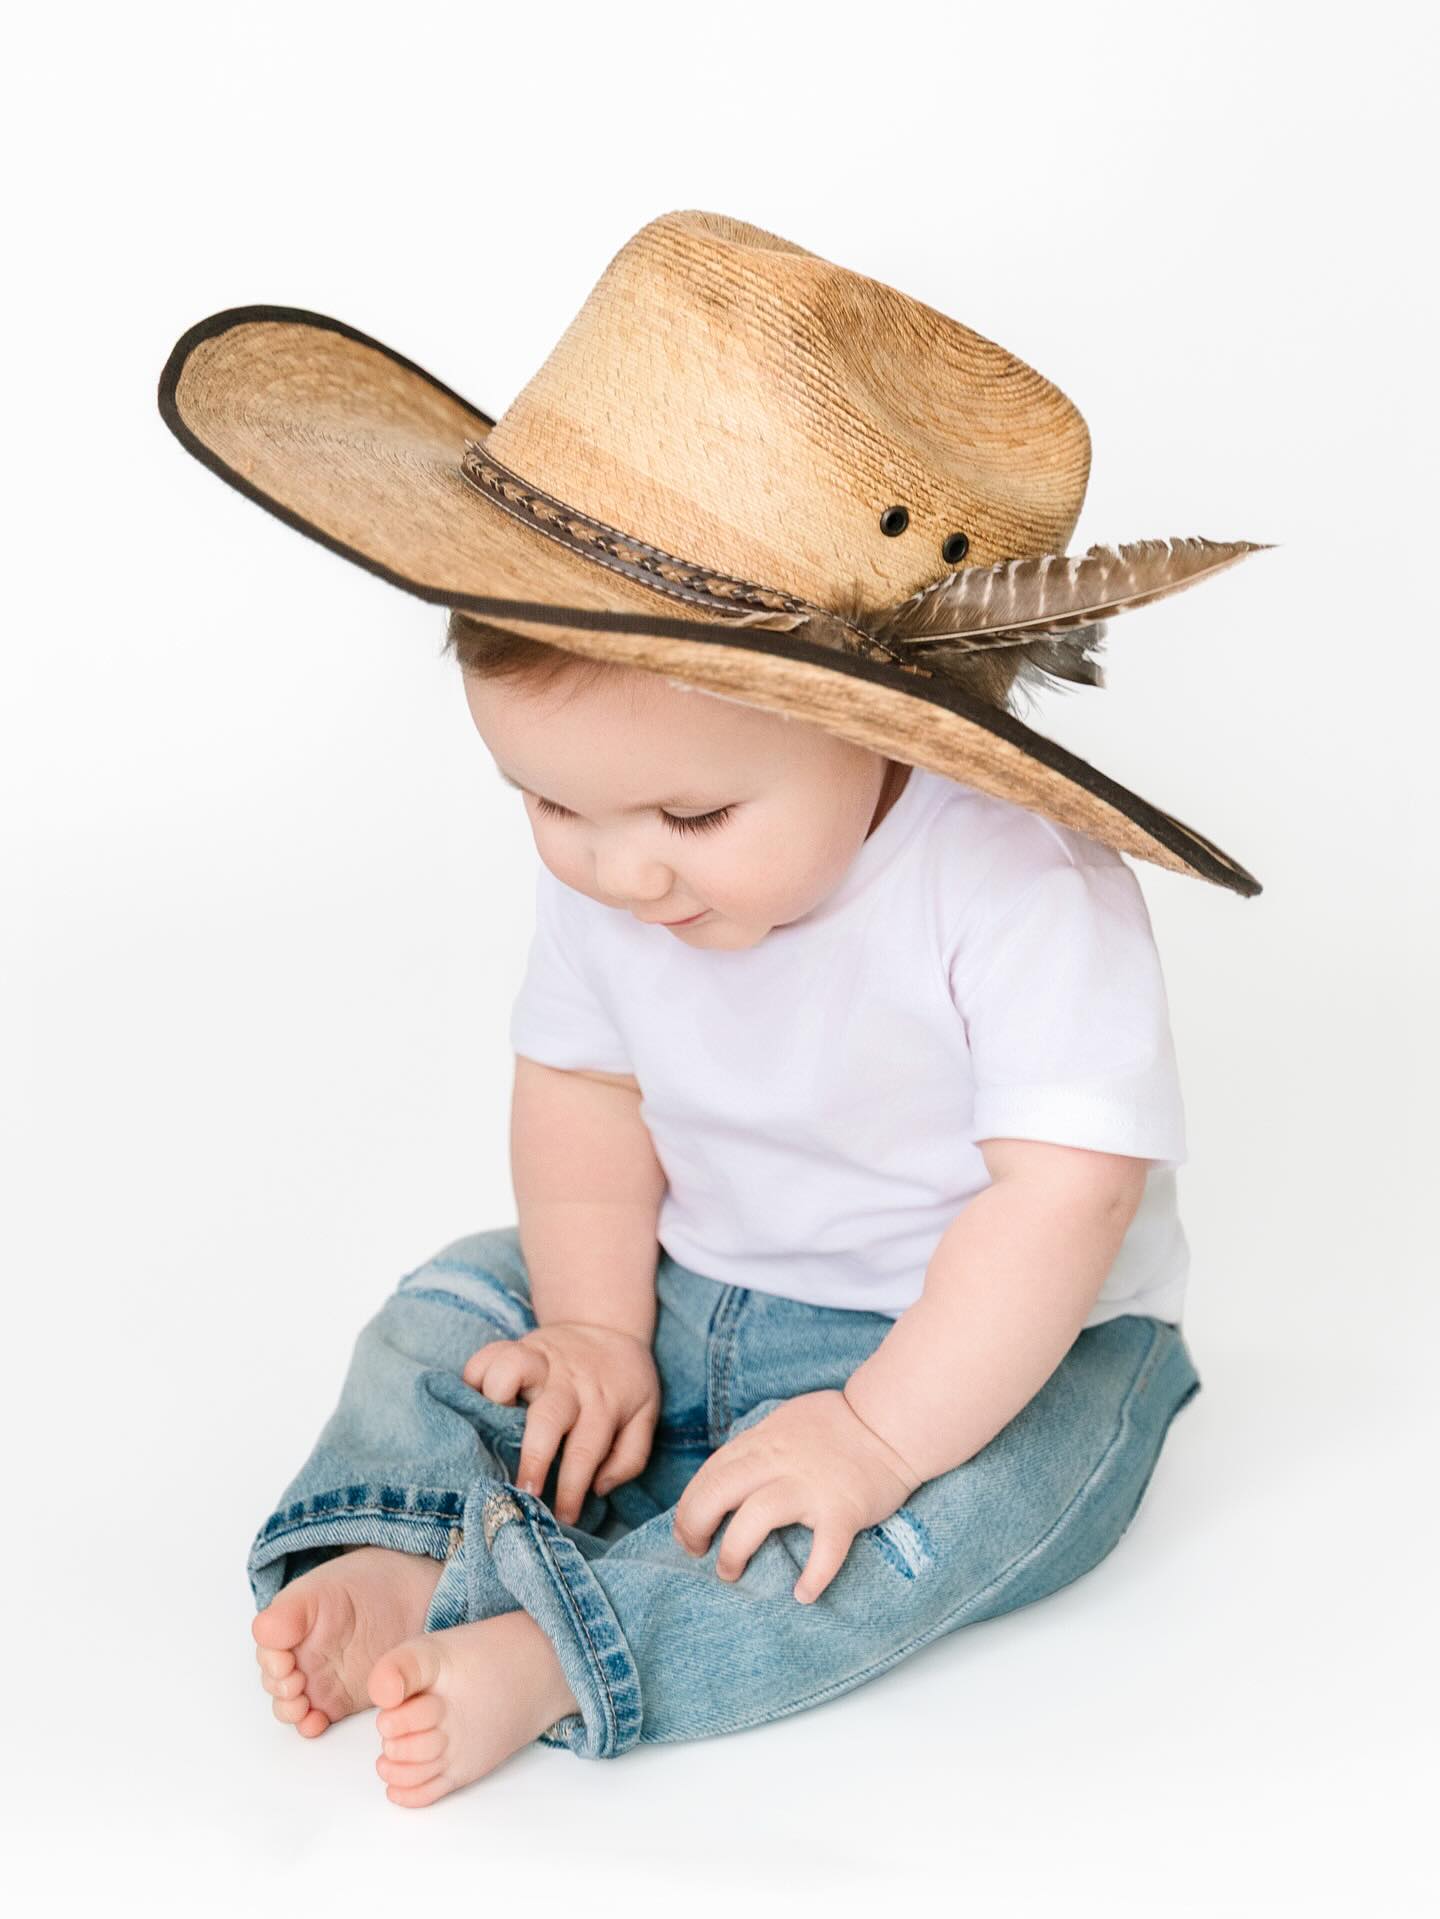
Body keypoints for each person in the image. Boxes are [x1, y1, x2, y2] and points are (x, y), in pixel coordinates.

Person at [157, 208, 1267, 1808]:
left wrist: (879, 1436)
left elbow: (1065, 1192)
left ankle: (570, 1649)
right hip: (694, 1290)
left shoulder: (1019, 885)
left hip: (993, 1340)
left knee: (969, 1509)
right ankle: (400, 1547)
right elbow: (584, 1095)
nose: (623, 876)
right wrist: (598, 1324)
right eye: (546, 805)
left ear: (883, 733)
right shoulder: (624, 856)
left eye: (690, 823)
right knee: (456, 1306)